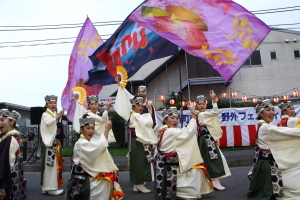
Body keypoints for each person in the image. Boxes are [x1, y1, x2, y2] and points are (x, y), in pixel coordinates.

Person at [155, 105, 213, 200]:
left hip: (166, 161)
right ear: (165, 120)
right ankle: (187, 193)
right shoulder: (170, 131)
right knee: (195, 168)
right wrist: (193, 114)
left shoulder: (162, 130)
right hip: (171, 162)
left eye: (177, 118)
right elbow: (189, 131)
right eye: (172, 118)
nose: (175, 120)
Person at [248, 99, 300, 199]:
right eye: (268, 110)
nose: (272, 112)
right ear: (261, 113)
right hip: (268, 164)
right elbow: (290, 133)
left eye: (272, 109)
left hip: (265, 161)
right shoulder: (267, 128)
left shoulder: (265, 126)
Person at [66, 114, 124, 200]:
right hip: (85, 180)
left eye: (93, 128)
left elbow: (99, 147)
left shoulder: (88, 142)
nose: (91, 131)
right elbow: (99, 148)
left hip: (91, 178)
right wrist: (107, 129)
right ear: (82, 130)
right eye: (88, 128)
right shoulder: (81, 143)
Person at [194, 91, 231, 191]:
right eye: (199, 104)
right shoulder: (201, 115)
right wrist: (214, 102)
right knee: (214, 159)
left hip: (206, 139)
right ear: (196, 106)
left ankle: (210, 181)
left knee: (209, 159)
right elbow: (215, 113)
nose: (202, 106)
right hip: (206, 140)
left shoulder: (200, 115)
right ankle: (215, 181)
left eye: (203, 104)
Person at [40, 95, 64, 195]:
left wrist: (57, 116)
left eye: (54, 103)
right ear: (46, 105)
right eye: (50, 103)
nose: (53, 105)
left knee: (51, 165)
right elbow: (49, 123)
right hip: (48, 143)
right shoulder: (45, 114)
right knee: (50, 165)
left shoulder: (52, 114)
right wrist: (58, 116)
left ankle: (47, 187)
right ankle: (51, 188)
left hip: (51, 142)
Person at [0, 109, 26, 200]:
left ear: (12, 122)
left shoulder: (9, 140)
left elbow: (5, 164)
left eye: (2, 120)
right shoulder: (5, 138)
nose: (0, 123)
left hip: (7, 179)